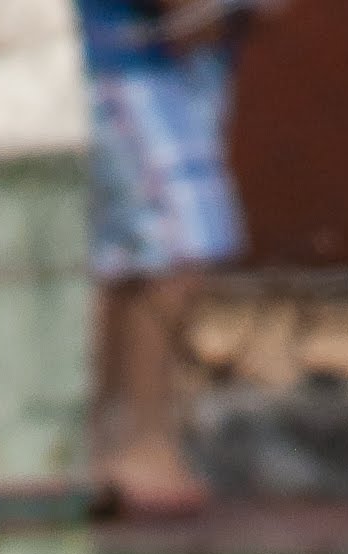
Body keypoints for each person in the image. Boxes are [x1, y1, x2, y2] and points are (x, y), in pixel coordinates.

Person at [80, 0, 278, 518]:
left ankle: (107, 441)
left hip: (170, 64)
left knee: (131, 251)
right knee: (173, 238)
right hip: (126, 61)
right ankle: (138, 442)